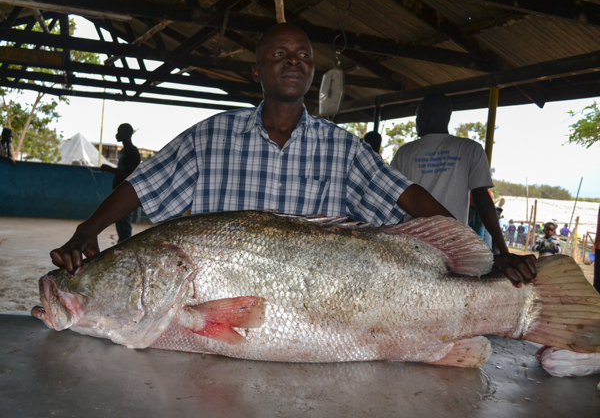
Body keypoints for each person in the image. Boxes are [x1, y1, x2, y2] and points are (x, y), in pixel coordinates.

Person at [50, 25, 534, 288]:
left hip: (311, 304)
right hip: (218, 297)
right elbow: (144, 184)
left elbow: (407, 198)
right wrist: (86, 230)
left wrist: (481, 255)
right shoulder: (212, 135)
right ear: (256, 68)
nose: (293, 61)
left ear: (312, 72)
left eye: (302, 55)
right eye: (279, 54)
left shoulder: (342, 149)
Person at [390, 93, 536, 285]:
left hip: (412, 244)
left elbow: (392, 200)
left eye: (416, 115)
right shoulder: (469, 149)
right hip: (455, 247)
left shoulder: (405, 152)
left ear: (423, 117)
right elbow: (483, 201)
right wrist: (503, 249)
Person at [100, 123, 141, 243]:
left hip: (126, 193)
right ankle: (122, 245)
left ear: (127, 134)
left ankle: (124, 248)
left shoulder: (132, 152)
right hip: (119, 191)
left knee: (124, 224)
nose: (117, 134)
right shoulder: (124, 150)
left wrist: (110, 169)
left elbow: (130, 174)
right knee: (120, 223)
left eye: (119, 132)